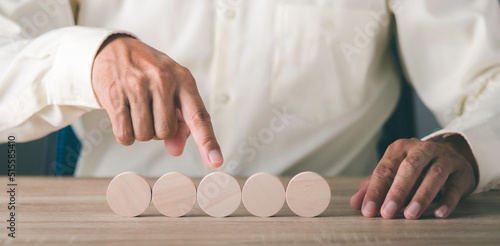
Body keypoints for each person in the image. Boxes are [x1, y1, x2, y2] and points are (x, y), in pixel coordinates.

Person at [1, 0, 499, 220]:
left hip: (327, 228)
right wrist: (87, 58)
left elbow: (491, 78)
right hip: (114, 227)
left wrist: (469, 145)